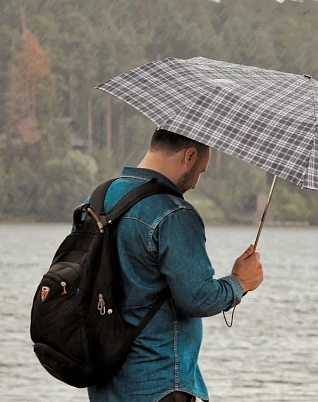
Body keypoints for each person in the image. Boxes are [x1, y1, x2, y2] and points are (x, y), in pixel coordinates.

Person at [87, 128, 264, 402]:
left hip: (104, 379)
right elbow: (198, 298)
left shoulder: (98, 200)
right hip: (159, 383)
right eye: (201, 171)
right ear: (189, 156)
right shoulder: (173, 214)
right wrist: (240, 282)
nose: (195, 183)